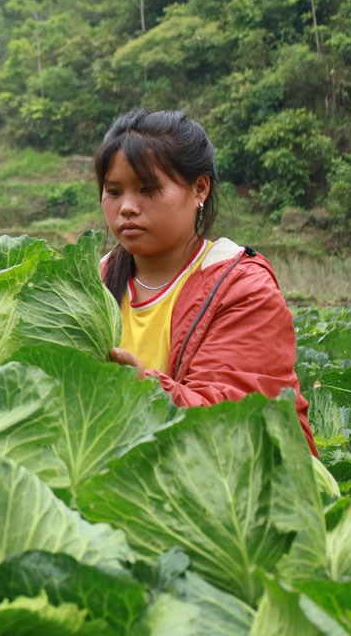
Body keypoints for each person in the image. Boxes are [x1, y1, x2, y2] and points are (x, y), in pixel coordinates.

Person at [96, 109, 315, 453]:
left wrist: (142, 389)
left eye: (147, 189)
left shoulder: (243, 289)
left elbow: (238, 425)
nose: (126, 207)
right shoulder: (92, 284)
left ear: (199, 188)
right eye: (113, 190)